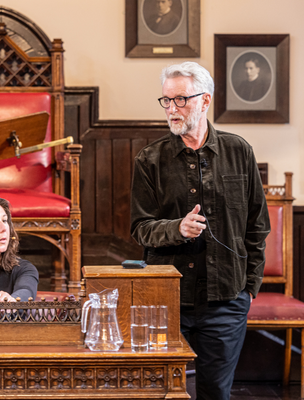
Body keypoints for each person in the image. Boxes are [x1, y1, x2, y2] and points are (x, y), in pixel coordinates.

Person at [130, 61, 270, 400]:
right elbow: (140, 228)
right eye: (166, 100)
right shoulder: (149, 159)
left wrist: (249, 287)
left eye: (180, 99)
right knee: (160, 393)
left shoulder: (239, 151)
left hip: (226, 298)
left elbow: (257, 225)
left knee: (215, 392)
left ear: (205, 100)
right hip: (167, 299)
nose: (171, 109)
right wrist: (177, 228)